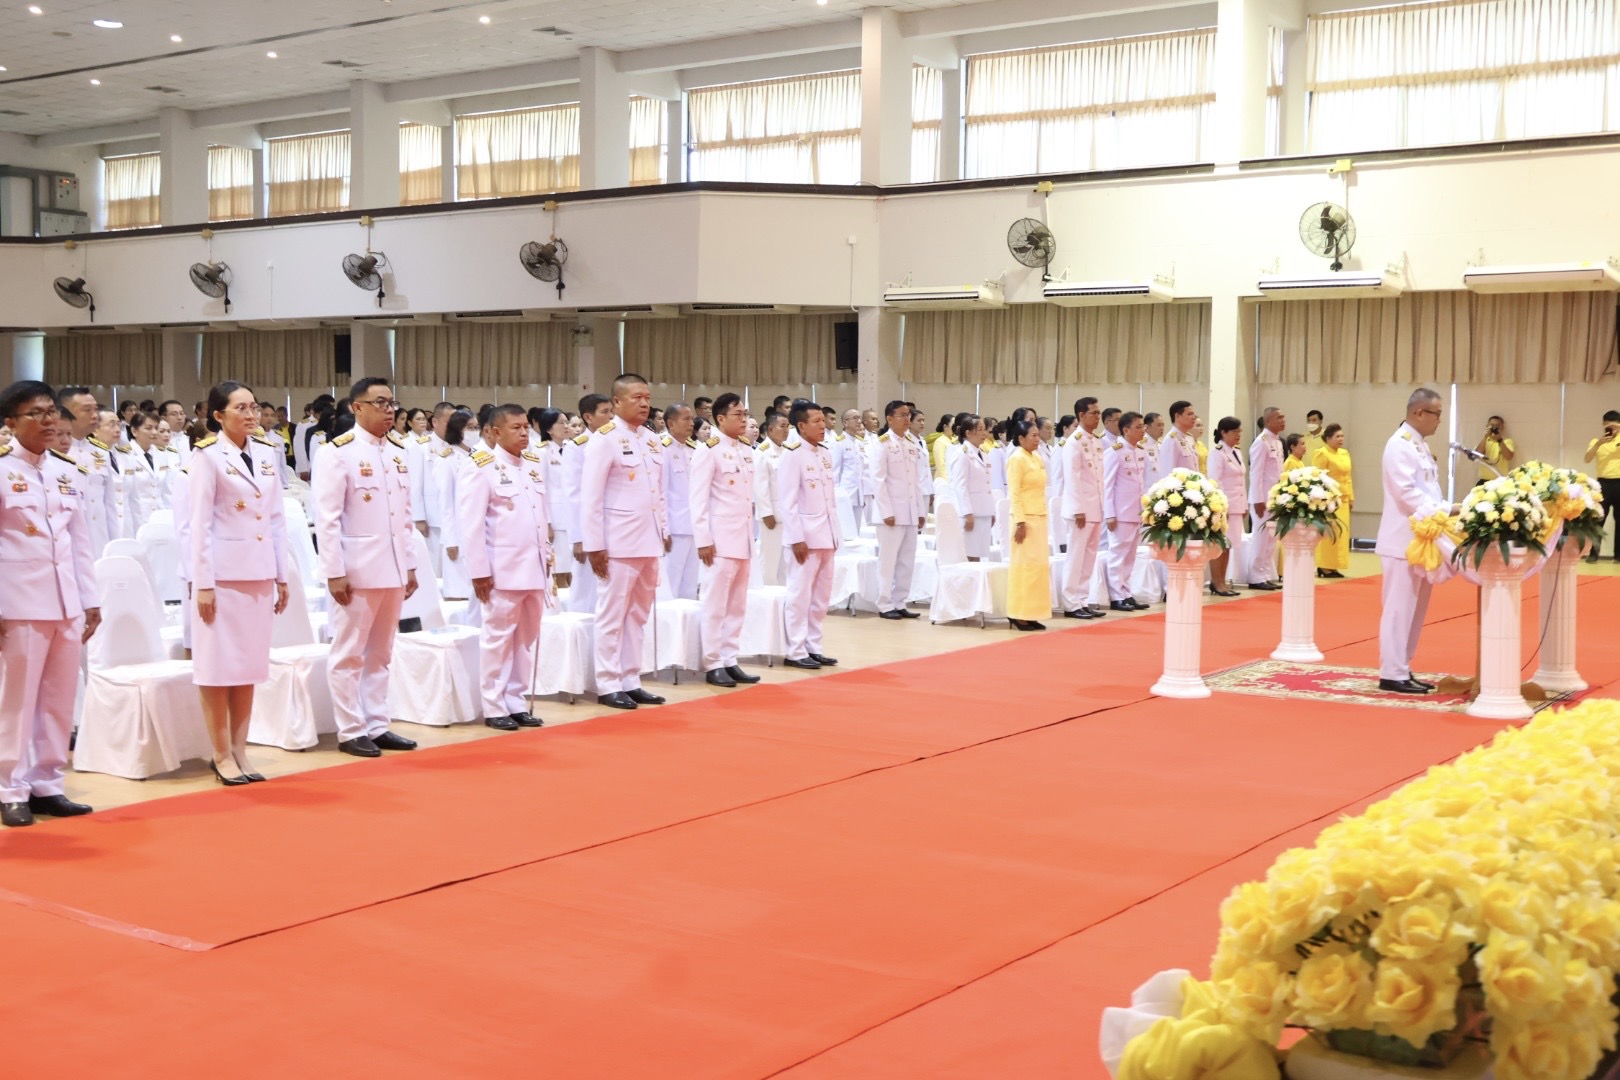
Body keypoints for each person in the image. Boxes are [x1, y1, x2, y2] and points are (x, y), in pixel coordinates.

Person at [0, 380, 101, 827]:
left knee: (59, 699)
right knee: (16, 700)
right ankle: (10, 788)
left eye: (50, 412)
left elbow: (80, 540)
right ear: (10, 422)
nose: (46, 421)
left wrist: (90, 598)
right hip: (19, 602)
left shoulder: (65, 469)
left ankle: (47, 783)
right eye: (35, 414)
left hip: (65, 601)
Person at [187, 381, 291, 785]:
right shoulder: (207, 456)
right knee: (218, 668)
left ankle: (240, 749)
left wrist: (281, 574)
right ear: (218, 416)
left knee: (248, 666)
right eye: (241, 408)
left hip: (259, 572)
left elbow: (276, 518)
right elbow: (199, 525)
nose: (251, 414)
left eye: (254, 407)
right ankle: (220, 753)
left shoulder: (265, 453)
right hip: (222, 575)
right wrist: (203, 583)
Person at [313, 377, 421, 757]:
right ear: (357, 407)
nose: (389, 410)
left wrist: (410, 565)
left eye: (392, 403)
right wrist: (334, 572)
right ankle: (350, 729)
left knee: (381, 652)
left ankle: (377, 723)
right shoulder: (337, 452)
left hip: (392, 568)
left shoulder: (398, 451)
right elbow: (327, 519)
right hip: (356, 570)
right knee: (348, 653)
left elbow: (404, 517)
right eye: (380, 403)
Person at [580, 373, 670, 711]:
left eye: (647, 397)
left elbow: (658, 492)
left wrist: (663, 530)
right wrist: (594, 545)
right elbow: (591, 497)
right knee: (612, 614)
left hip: (648, 539)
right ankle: (608, 682)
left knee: (638, 614)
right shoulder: (604, 439)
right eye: (637, 397)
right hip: (617, 542)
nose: (644, 403)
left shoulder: (652, 439)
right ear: (617, 402)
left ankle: (630, 678)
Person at [460, 404, 550, 732]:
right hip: (502, 569)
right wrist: (479, 572)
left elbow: (540, 518)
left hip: (534, 568)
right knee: (497, 640)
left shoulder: (533, 464)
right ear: (496, 432)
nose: (524, 433)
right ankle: (494, 704)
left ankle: (516, 700)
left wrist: (547, 557)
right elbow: (471, 525)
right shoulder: (480, 466)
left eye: (526, 426)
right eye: (516, 428)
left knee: (525, 640)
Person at [1376, 389, 1450, 695]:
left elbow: (1429, 490)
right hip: (1401, 540)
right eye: (1436, 414)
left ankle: (1402, 667)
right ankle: (1391, 673)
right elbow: (1406, 493)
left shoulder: (1418, 444)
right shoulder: (1400, 445)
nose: (1439, 421)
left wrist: (1444, 511)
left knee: (1415, 610)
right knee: (1398, 609)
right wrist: (1445, 511)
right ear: (1419, 413)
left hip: (1423, 539)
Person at [690, 393, 759, 688]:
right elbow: (698, 499)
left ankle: (730, 658)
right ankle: (713, 662)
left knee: (737, 604)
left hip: (742, 538)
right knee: (715, 604)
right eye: (737, 415)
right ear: (720, 419)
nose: (744, 419)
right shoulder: (708, 450)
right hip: (719, 541)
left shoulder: (744, 448)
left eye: (745, 414)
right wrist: (703, 540)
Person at [778, 400, 840, 670]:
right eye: (816, 421)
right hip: (805, 538)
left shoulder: (824, 452)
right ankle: (795, 650)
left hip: (826, 534)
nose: (823, 425)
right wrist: (796, 538)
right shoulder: (792, 454)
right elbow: (787, 501)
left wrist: (835, 534)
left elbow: (829, 499)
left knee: (820, 597)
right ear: (801, 426)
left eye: (823, 420)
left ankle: (813, 646)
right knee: (800, 595)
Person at [871, 400, 927, 620]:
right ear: (889, 418)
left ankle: (900, 601)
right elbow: (878, 480)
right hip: (891, 513)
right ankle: (884, 604)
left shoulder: (911, 443)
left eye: (908, 415)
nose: (907, 419)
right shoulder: (882, 444)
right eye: (902, 415)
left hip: (910, 512)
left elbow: (916, 481)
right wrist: (886, 511)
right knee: (888, 560)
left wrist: (920, 511)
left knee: (906, 560)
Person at [562, 393, 615, 614]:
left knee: (610, 586)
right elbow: (573, 495)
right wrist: (578, 537)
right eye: (605, 412)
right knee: (585, 588)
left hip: (612, 525)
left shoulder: (615, 441)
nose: (611, 417)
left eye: (612, 411)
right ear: (588, 417)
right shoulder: (577, 447)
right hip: (587, 529)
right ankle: (580, 627)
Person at [1059, 396, 1108, 620]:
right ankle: (1070, 603)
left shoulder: (1096, 441)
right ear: (1081, 415)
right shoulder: (1074, 441)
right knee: (1076, 557)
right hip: (1080, 510)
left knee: (1089, 557)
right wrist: (1078, 509)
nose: (1097, 417)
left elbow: (1098, 478)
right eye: (1093, 413)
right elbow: (1072, 478)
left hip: (1095, 507)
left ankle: (1082, 599)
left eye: (1099, 413)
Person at [57, 387, 118, 556]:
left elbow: (109, 504)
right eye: (87, 410)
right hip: (69, 543)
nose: (94, 415)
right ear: (66, 412)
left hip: (99, 539)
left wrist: (114, 545)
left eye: (95, 409)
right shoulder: (54, 451)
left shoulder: (101, 452)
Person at [1005, 419, 1051, 631]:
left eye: (1037, 435)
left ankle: (1033, 613)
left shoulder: (1036, 457)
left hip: (1039, 517)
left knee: (1038, 568)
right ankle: (1018, 613)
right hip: (1024, 519)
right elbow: (1014, 493)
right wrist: (1020, 521)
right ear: (1021, 438)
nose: (1037, 439)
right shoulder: (1017, 459)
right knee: (1024, 568)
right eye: (1033, 436)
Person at [1103, 411, 1150, 612]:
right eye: (1138, 427)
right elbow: (1107, 485)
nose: (1143, 430)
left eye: (1143, 426)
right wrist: (1109, 514)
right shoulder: (1115, 452)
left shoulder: (1140, 451)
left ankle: (1126, 592)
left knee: (1130, 556)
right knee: (1117, 554)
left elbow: (1141, 484)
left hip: (1136, 511)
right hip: (1120, 512)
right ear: (1126, 430)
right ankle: (1116, 596)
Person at [434, 409, 480, 602]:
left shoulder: (479, 456)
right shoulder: (447, 460)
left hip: (478, 530)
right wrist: (450, 540)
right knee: (460, 592)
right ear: (457, 429)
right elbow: (445, 504)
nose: (474, 432)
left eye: (476, 427)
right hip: (458, 533)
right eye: (469, 427)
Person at [659, 403, 700, 600]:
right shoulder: (662, 448)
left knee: (691, 583)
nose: (691, 423)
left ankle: (688, 619)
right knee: (671, 582)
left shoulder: (693, 449)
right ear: (671, 423)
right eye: (686, 419)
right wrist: (664, 529)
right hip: (674, 527)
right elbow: (661, 492)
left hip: (694, 525)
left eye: (692, 419)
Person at [1247, 407, 1286, 591]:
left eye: (1283, 417)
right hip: (1262, 500)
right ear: (1268, 421)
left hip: (1275, 499)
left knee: (1270, 540)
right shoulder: (1261, 442)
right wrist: (1257, 500)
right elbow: (1256, 473)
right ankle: (1255, 577)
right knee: (1261, 538)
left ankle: (1264, 574)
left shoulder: (1277, 442)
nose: (1283, 420)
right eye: (1279, 418)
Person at [1207, 417, 1246, 597]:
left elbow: (1241, 481)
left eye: (1239, 431)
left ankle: (1222, 581)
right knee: (1220, 545)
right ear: (1223, 432)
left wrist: (1244, 505)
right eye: (1234, 431)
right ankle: (1216, 582)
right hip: (1224, 506)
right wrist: (1222, 507)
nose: (1238, 435)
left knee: (1229, 545)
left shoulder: (1236, 451)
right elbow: (1215, 481)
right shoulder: (1218, 452)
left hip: (1237, 505)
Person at [117, 410, 173, 536]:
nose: (154, 432)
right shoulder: (124, 455)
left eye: (156, 428)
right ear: (134, 431)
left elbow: (166, 492)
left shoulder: (162, 455)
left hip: (160, 517)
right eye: (148, 428)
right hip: (137, 517)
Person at [947, 413, 994, 561]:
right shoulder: (962, 454)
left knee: (978, 555)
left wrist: (991, 511)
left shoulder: (982, 453)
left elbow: (987, 484)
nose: (984, 433)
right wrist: (967, 513)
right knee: (968, 555)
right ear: (968, 433)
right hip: (970, 513)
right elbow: (960, 486)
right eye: (979, 429)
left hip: (983, 512)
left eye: (984, 429)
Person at [753, 412, 791, 587]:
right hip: (772, 515)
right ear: (770, 429)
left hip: (787, 514)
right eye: (782, 426)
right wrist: (766, 513)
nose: (786, 430)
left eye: (788, 426)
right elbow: (760, 486)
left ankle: (783, 594)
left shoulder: (788, 450)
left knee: (785, 560)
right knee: (769, 559)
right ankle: (767, 594)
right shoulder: (762, 452)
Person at [1313, 423, 1353, 579]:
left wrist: (1351, 497)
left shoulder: (1344, 453)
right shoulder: (1322, 453)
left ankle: (1334, 565)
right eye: (1337, 436)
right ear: (1328, 438)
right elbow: (1318, 477)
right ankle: (1324, 565)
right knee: (1329, 533)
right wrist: (1321, 499)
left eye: (1342, 436)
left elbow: (1348, 477)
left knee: (1341, 534)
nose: (1341, 439)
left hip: (1343, 498)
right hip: (1329, 500)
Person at [1585, 410, 1620, 562]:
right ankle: (1593, 554)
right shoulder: (1596, 441)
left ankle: (1618, 555)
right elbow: (1587, 459)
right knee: (1598, 519)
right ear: (1603, 424)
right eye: (1607, 425)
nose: (1611, 428)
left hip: (1619, 482)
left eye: (1614, 425)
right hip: (1603, 484)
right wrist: (1599, 444)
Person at [1474, 414, 1515, 485]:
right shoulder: (1484, 441)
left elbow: (1509, 457)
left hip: (1501, 481)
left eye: (1497, 426)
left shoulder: (1507, 441)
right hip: (1484, 481)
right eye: (1492, 425)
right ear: (1487, 426)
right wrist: (1485, 437)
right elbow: (1476, 455)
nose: (1494, 428)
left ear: (1502, 428)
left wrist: (1500, 440)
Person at [1165, 401, 1200, 473]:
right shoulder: (1171, 440)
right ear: (1177, 416)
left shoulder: (1189, 438)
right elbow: (1168, 471)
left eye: (1193, 414)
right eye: (1189, 414)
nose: (1194, 417)